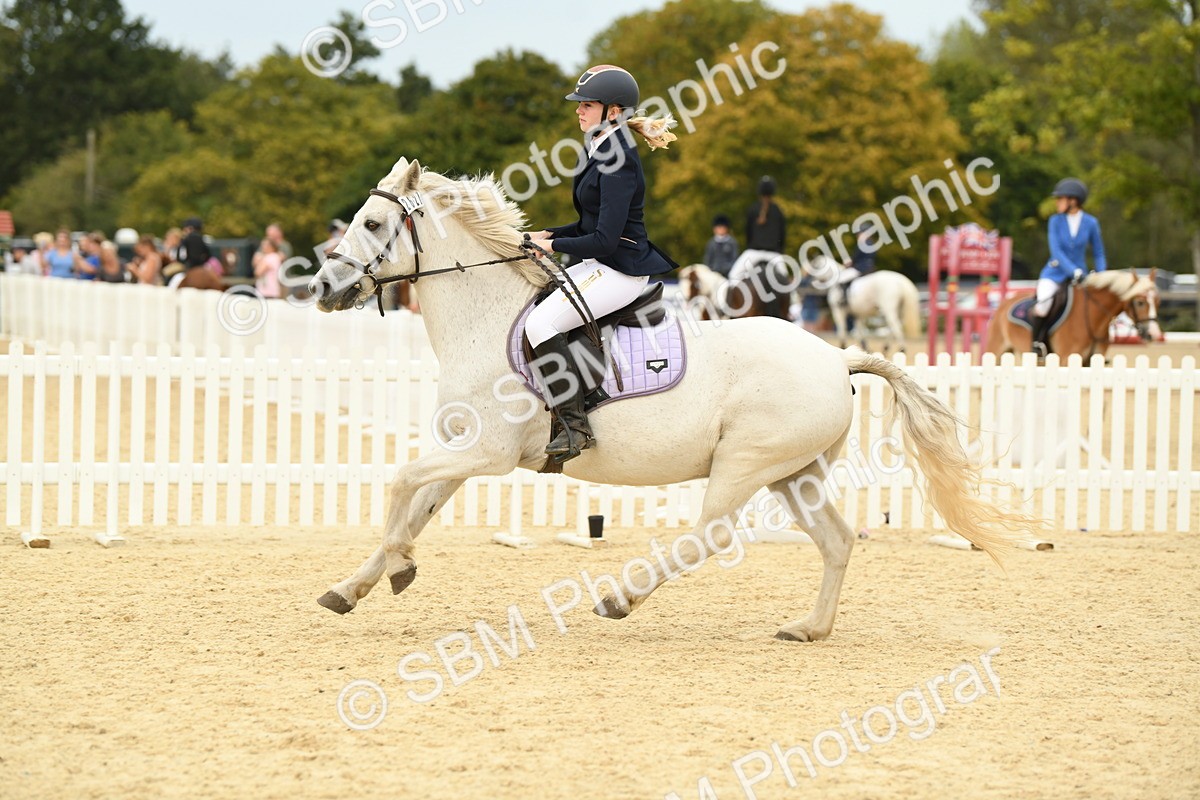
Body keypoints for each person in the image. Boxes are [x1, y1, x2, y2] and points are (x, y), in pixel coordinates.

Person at [525, 64, 679, 462]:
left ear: (613, 111)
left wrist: (555, 244)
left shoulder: (619, 158)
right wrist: (547, 234)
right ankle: (583, 386)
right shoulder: (598, 147)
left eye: (587, 105)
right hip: (601, 262)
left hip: (619, 269)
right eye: (580, 104)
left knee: (541, 323)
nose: (578, 111)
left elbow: (606, 239)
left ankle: (575, 428)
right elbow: (589, 223)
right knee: (540, 303)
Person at [1029, 178, 1107, 356]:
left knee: (1093, 305)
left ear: (1073, 201)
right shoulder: (1055, 221)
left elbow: (1099, 253)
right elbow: (1056, 252)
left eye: (1060, 199)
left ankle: (1095, 344)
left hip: (1081, 276)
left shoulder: (1091, 223)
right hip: (1054, 273)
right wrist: (1075, 271)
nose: (1057, 203)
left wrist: (1101, 275)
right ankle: (1037, 344)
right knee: (1043, 304)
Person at [176, 217, 223, 291]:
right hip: (202, 266)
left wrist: (183, 263)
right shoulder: (203, 239)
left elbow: (180, 256)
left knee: (169, 277)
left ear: (190, 228)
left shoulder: (185, 240)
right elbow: (208, 255)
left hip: (189, 267)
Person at [745, 175, 786, 254]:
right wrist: (780, 251)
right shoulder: (777, 210)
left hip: (753, 252)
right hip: (773, 253)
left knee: (736, 267)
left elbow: (748, 232)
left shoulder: (753, 209)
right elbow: (782, 234)